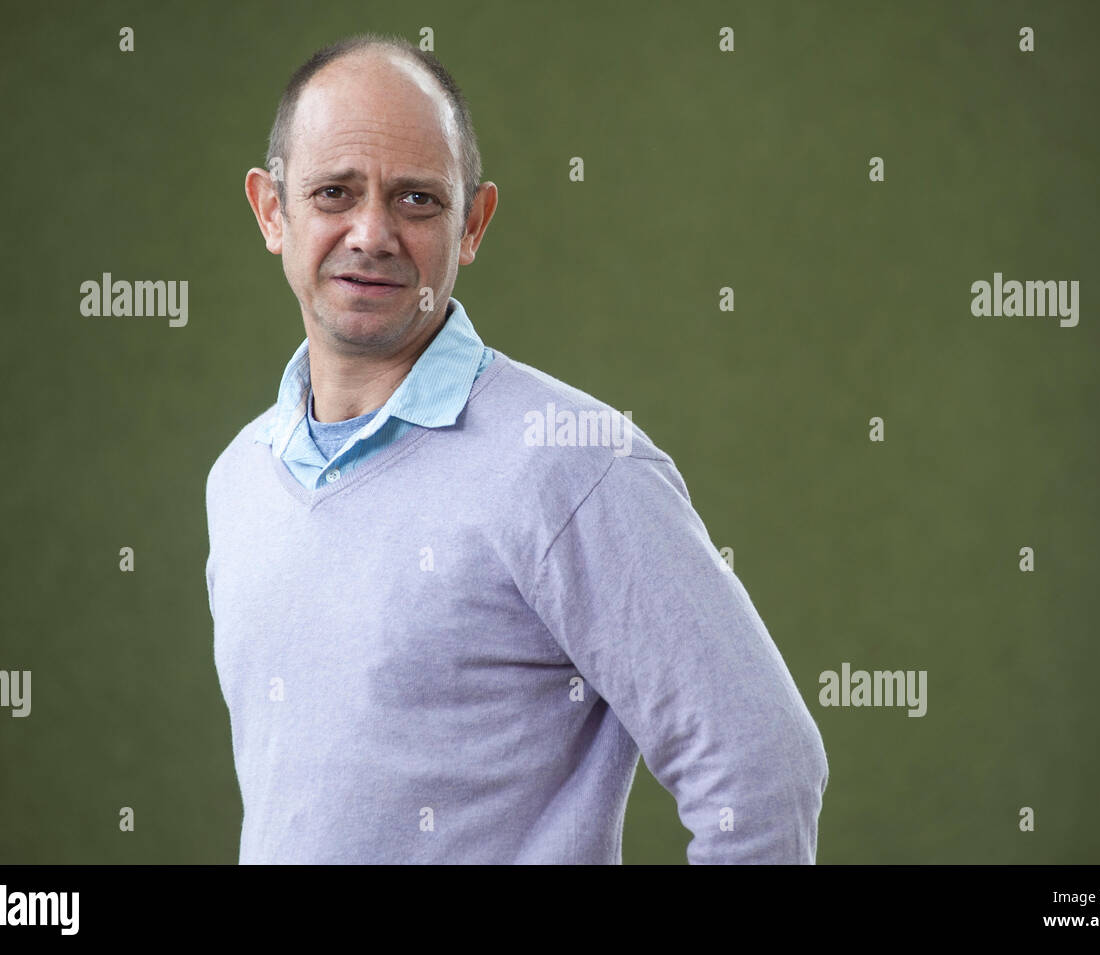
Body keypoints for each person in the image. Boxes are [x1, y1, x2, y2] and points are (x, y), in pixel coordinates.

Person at [205, 32, 829, 864]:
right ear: (272, 211)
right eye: (333, 192)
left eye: (418, 200)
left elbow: (763, 768)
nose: (372, 233)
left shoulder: (574, 464)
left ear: (474, 223)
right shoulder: (242, 479)